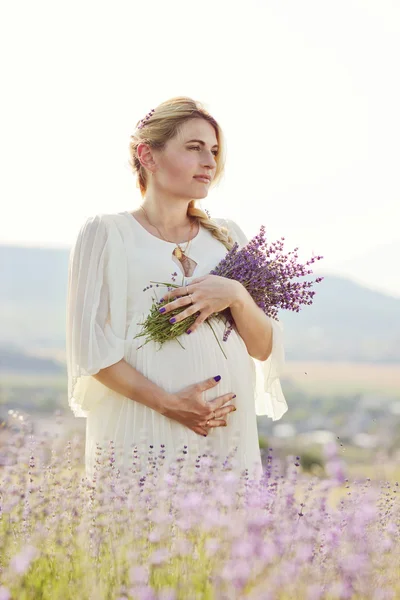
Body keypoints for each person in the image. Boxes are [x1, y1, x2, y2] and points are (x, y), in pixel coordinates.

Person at [66, 96, 288, 484]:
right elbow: (90, 349)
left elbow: (263, 346)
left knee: (224, 541)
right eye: (194, 148)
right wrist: (170, 404)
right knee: (139, 535)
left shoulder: (228, 237)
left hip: (225, 431)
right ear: (148, 156)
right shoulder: (106, 233)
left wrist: (235, 294)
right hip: (141, 424)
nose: (210, 162)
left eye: (215, 151)